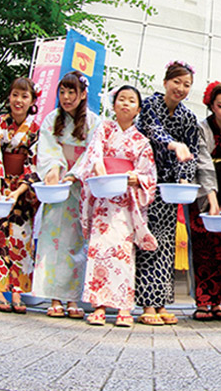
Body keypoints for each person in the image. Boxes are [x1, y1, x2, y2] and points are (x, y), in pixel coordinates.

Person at [75, 85, 158, 327]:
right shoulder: (104, 129)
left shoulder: (141, 141)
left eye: (131, 101)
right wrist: (100, 169)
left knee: (123, 254)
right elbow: (93, 155)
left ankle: (123, 307)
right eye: (121, 99)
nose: (125, 104)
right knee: (99, 250)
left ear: (138, 109)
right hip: (103, 200)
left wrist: (136, 179)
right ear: (114, 105)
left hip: (124, 203)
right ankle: (98, 306)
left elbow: (149, 175)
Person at [135, 60, 199, 326]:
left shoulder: (188, 117)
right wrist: (174, 145)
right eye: (177, 82)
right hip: (146, 183)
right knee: (148, 241)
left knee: (166, 244)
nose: (181, 89)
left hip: (172, 190)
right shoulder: (150, 105)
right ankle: (147, 305)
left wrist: (186, 176)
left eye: (186, 85)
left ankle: (161, 303)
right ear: (165, 82)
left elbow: (193, 151)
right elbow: (153, 130)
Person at [34, 72, 98, 318]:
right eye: (63, 92)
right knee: (53, 241)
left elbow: (92, 153)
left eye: (72, 92)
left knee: (76, 243)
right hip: (58, 185)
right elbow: (48, 150)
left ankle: (73, 299)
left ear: (83, 95)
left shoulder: (94, 122)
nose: (67, 97)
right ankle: (54, 297)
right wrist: (55, 169)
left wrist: (75, 174)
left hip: (79, 188)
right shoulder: (52, 119)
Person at [0, 77, 42, 314]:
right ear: (9, 97)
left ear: (32, 101)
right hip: (1, 185)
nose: (19, 101)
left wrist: (19, 190)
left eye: (24, 96)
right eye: (15, 95)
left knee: (21, 239)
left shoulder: (36, 129)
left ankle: (17, 291)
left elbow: (35, 162)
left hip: (23, 190)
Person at [189, 81, 221, 321]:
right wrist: (211, 196)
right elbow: (202, 162)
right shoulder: (201, 129)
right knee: (201, 247)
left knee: (220, 247)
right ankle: (202, 301)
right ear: (211, 106)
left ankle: (216, 301)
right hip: (202, 190)